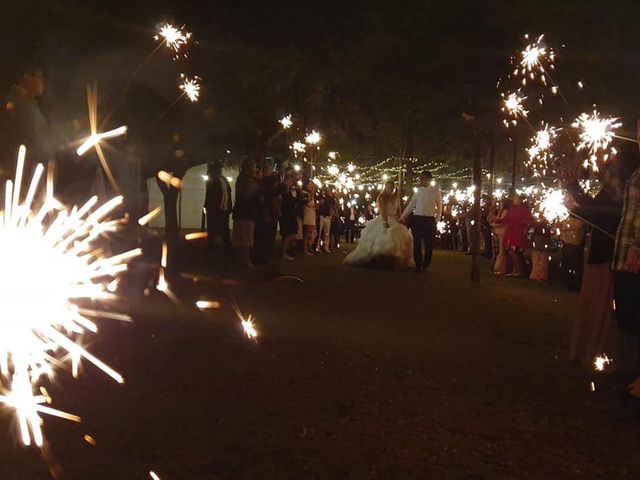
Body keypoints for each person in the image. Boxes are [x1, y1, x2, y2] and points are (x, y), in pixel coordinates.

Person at [565, 175, 625, 371]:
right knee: (595, 305)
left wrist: (574, 190)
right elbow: (593, 210)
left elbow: (597, 213)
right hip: (601, 254)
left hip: (607, 257)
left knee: (602, 306)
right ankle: (591, 349)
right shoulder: (611, 192)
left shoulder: (619, 192)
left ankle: (604, 352)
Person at [345, 181, 413, 269]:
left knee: (399, 238)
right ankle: (380, 260)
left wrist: (400, 219)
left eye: (392, 187)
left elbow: (398, 211)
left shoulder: (396, 197)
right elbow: (383, 211)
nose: (390, 189)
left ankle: (393, 261)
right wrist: (385, 222)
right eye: (388, 187)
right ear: (385, 188)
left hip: (394, 219)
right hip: (384, 219)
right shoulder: (382, 198)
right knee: (384, 239)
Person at [399, 172, 442, 272]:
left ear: (429, 180)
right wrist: (403, 216)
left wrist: (437, 220)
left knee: (428, 244)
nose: (422, 180)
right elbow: (412, 204)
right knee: (416, 243)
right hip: (418, 219)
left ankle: (425, 265)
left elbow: (439, 207)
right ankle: (418, 265)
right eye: (421, 178)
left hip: (429, 220)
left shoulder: (435, 191)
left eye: (424, 179)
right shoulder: (418, 191)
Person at [495, 194, 532, 277]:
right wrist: (496, 220)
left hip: (519, 233)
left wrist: (525, 227)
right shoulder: (512, 209)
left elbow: (528, 220)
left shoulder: (524, 209)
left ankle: (520, 271)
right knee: (512, 251)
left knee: (515, 252)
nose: (514, 199)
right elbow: (506, 219)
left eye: (516, 198)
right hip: (512, 233)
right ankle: (516, 271)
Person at [232, 160, 261, 267]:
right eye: (254, 167)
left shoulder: (252, 180)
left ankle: (245, 258)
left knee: (248, 236)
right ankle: (242, 258)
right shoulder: (242, 179)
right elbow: (244, 195)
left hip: (249, 212)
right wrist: (255, 189)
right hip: (242, 212)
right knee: (243, 237)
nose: (256, 170)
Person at [204, 162, 232, 254]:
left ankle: (227, 248)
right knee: (212, 229)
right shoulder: (212, 181)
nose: (220, 171)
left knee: (224, 229)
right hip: (215, 209)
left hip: (223, 208)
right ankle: (211, 248)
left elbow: (227, 193)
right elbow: (210, 196)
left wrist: (229, 206)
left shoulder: (222, 180)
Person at [559, 203, 585, 291]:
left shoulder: (579, 216)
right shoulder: (567, 216)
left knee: (574, 264)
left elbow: (576, 225)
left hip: (574, 243)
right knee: (566, 263)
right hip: (566, 242)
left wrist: (563, 226)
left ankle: (576, 284)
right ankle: (568, 283)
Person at [279, 173, 301, 260]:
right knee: (287, 235)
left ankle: (289, 252)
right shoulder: (283, 190)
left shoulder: (291, 190)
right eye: (290, 180)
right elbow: (286, 201)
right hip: (286, 214)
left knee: (291, 234)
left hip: (291, 214)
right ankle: (283, 253)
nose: (292, 182)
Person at [489, 198, 512, 274]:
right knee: (500, 249)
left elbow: (502, 221)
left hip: (504, 232)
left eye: (501, 203)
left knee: (502, 250)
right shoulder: (501, 211)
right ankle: (500, 267)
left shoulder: (506, 211)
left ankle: (502, 268)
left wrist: (494, 221)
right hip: (500, 231)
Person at [317, 187, 337, 253]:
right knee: (319, 232)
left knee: (327, 233)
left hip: (328, 217)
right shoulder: (322, 197)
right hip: (322, 216)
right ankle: (318, 246)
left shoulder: (331, 199)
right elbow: (320, 204)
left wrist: (333, 214)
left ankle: (326, 247)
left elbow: (334, 206)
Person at [301, 181, 318, 255]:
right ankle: (305, 249)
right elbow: (307, 202)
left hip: (312, 215)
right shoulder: (305, 193)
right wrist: (311, 194)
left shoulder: (312, 195)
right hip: (307, 216)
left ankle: (309, 247)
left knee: (310, 234)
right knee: (307, 234)